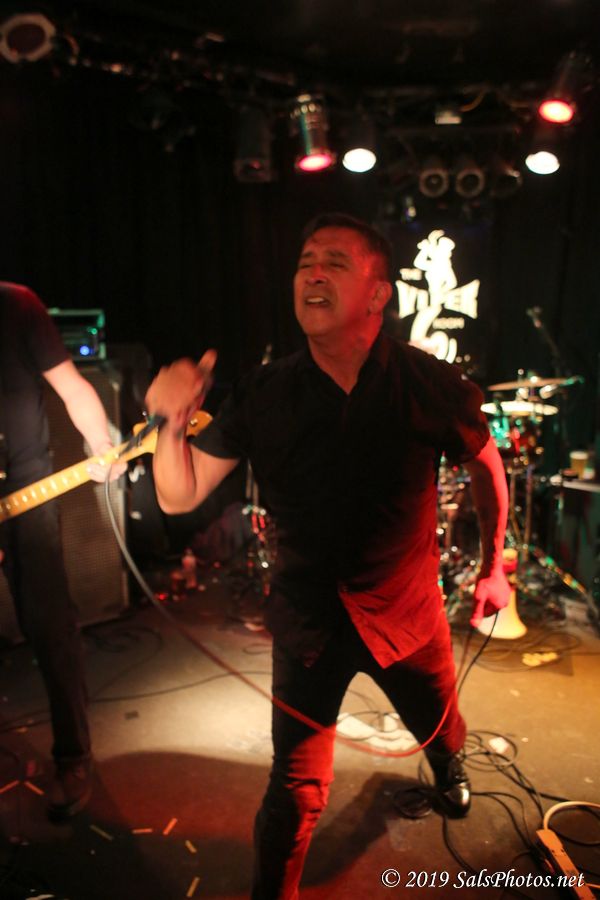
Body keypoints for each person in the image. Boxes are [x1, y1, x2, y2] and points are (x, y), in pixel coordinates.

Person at [145, 213, 511, 899]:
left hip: (406, 614)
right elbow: (178, 492)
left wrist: (494, 568)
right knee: (295, 790)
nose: (312, 272)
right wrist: (169, 422)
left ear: (378, 294)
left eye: (334, 262)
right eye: (304, 261)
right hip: (308, 624)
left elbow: (488, 466)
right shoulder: (264, 392)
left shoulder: (425, 382)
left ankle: (447, 764)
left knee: (440, 725)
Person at [0, 282, 125, 821]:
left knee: (51, 627)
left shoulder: (16, 306)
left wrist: (101, 443)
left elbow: (73, 387)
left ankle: (73, 758)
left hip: (26, 490)